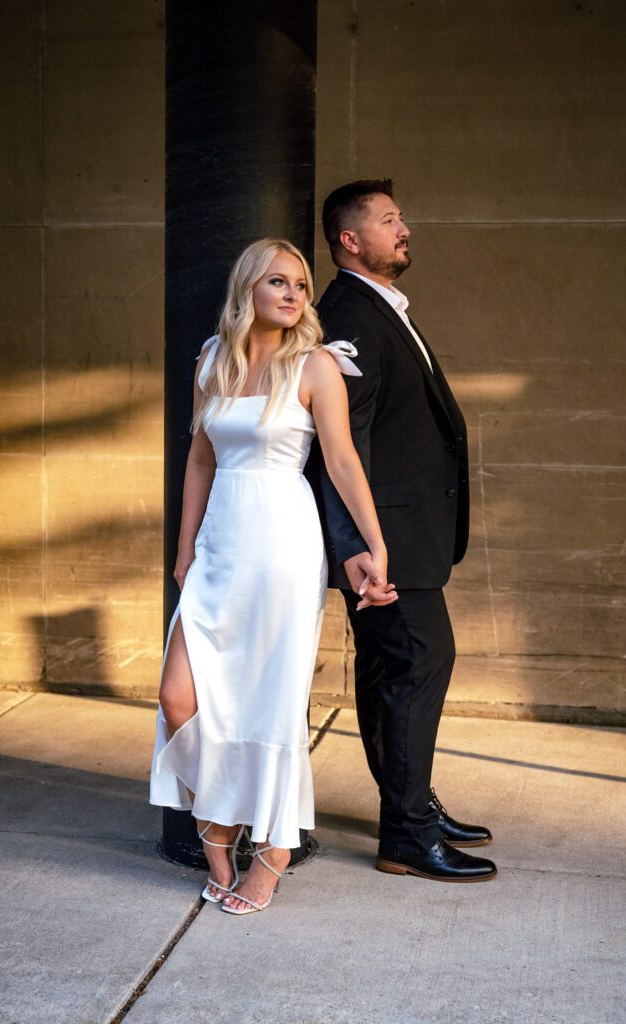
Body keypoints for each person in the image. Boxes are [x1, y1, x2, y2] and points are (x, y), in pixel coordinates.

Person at [149, 238, 397, 916]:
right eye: (278, 283)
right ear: (248, 290)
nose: (293, 295)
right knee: (179, 699)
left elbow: (342, 463)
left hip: (284, 545)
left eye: (300, 285)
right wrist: (183, 549)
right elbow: (200, 461)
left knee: (270, 704)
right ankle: (220, 835)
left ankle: (273, 850)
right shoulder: (212, 358)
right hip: (218, 547)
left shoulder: (313, 366)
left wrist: (374, 545)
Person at [308, 179, 497, 882]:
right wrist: (359, 546)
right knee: (421, 660)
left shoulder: (380, 308)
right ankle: (408, 835)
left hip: (402, 534)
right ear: (349, 240)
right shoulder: (348, 318)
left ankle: (409, 805)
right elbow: (337, 443)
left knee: (393, 668)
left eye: (401, 217)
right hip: (385, 541)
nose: (404, 228)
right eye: (389, 220)